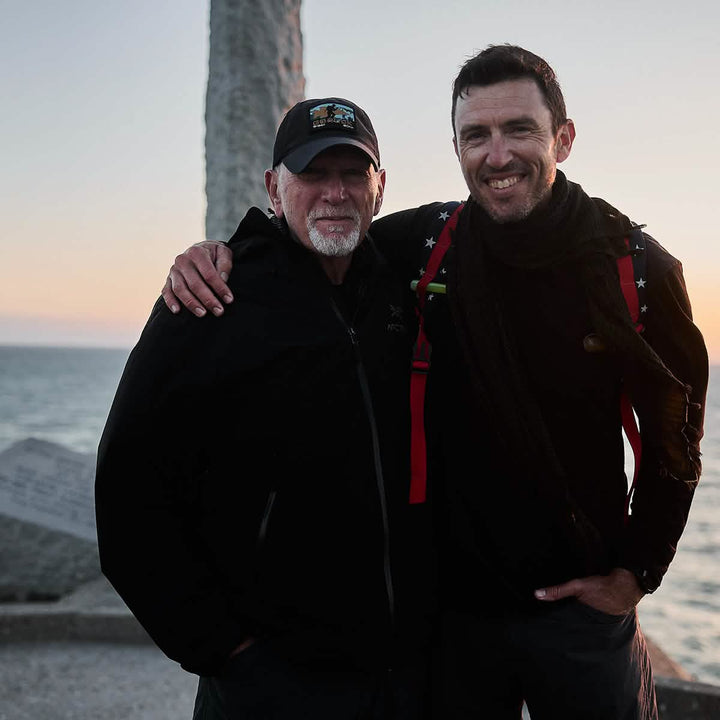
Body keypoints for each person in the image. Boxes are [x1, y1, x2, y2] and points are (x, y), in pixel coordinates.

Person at [160, 46, 708, 720]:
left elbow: (676, 440)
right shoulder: (424, 242)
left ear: (563, 138)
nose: (497, 154)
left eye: (519, 130)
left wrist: (636, 574)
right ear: (455, 146)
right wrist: (216, 255)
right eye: (476, 135)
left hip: (581, 616)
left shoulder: (639, 268)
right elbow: (315, 234)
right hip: (451, 620)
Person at [95, 97, 436, 720]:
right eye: (312, 173)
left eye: (353, 173)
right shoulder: (210, 300)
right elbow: (128, 492)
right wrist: (222, 648)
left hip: (408, 673)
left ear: (380, 187)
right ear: (273, 190)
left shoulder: (406, 289)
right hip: (272, 682)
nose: (335, 192)